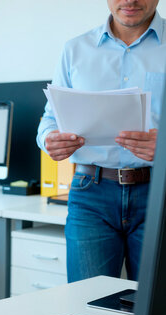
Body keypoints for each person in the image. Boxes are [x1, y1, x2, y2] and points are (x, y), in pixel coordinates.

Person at [37, 0, 165, 282]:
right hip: (90, 194)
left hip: (159, 192)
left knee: (157, 310)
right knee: (86, 305)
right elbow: (50, 118)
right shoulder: (75, 49)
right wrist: (49, 139)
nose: (130, 0)